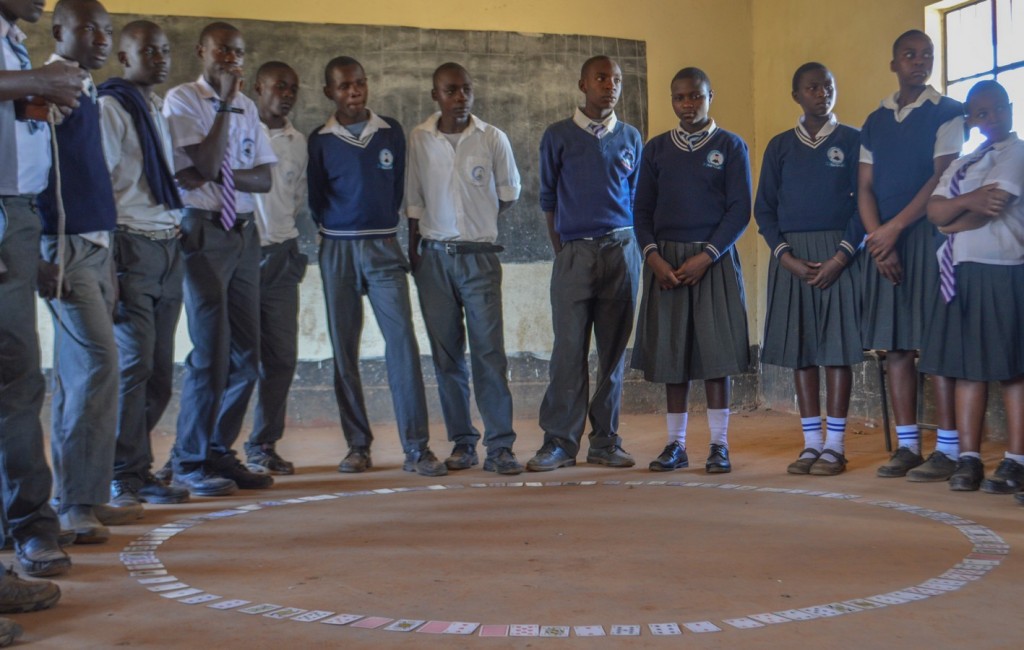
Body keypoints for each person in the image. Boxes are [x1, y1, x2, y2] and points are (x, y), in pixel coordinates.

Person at [309, 57, 442, 475]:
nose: (355, 91)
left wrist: (401, 238)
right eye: (345, 86)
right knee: (344, 349)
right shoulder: (320, 139)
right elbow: (316, 199)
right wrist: (339, 231)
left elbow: (401, 186)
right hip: (338, 251)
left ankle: (417, 448)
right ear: (330, 92)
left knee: (402, 342)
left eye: (360, 83)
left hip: (384, 248)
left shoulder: (390, 132)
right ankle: (357, 445)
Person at [162, 21, 277, 495]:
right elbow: (200, 170)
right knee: (209, 354)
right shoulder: (183, 100)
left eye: (238, 53)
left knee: (247, 356)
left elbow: (263, 179)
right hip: (202, 234)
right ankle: (187, 461)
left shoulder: (250, 106)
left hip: (243, 233)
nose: (232, 60)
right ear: (201, 52)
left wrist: (214, 172)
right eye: (223, 51)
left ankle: (215, 449)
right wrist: (225, 109)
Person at [37, 0, 134, 541]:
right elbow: (35, 174)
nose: (100, 38)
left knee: (82, 375)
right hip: (64, 247)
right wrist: (42, 252)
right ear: (58, 32)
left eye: (106, 30)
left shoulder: (89, 91)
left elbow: (95, 178)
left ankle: (83, 493)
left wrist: (112, 257)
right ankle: (74, 502)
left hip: (97, 245)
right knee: (98, 364)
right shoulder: (47, 91)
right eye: (87, 29)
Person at [405, 61, 523, 475]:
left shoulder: (492, 138)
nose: (460, 98)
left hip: (479, 257)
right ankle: (463, 442)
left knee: (490, 353)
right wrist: (417, 252)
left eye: (466, 90)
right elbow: (413, 203)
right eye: (451, 91)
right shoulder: (419, 139)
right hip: (433, 259)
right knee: (447, 356)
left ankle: (501, 446)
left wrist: (476, 225)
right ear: (435, 95)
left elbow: (507, 195)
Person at [631, 67, 751, 474]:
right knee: (672, 356)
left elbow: (740, 210)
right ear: (672, 100)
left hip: (711, 260)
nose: (688, 104)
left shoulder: (731, 147)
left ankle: (719, 445)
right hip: (667, 264)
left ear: (710, 96)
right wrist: (654, 258)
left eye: (696, 96)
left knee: (716, 357)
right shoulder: (657, 149)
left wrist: (708, 255)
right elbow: (641, 210)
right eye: (680, 97)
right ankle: (676, 445)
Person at [0, 0, 77, 632]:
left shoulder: (12, 41)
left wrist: (36, 97)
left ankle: (24, 531)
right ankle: (27, 530)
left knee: (18, 385)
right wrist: (35, 84)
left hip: (16, 218)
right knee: (12, 384)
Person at [858, 29, 964, 481]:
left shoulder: (948, 112)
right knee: (897, 345)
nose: (919, 62)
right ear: (893, 63)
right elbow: (863, 185)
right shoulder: (875, 120)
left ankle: (948, 448)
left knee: (935, 344)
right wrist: (877, 240)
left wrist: (895, 229)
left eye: (927, 55)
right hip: (885, 243)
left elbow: (942, 177)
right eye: (909, 55)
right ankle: (906, 446)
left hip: (929, 238)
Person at [528, 55, 643, 472]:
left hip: (621, 251)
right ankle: (559, 442)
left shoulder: (630, 137)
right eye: (600, 78)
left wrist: (625, 246)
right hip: (574, 253)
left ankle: (605, 441)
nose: (609, 86)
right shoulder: (558, 135)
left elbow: (636, 198)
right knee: (568, 352)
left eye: (616, 80)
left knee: (612, 355)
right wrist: (566, 251)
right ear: (582, 84)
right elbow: (548, 201)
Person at [754, 63, 864, 476]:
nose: (822, 94)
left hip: (839, 256)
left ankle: (835, 446)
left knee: (836, 352)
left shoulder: (853, 140)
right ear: (796, 95)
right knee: (802, 353)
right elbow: (764, 208)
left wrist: (841, 256)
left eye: (828, 86)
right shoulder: (780, 146)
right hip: (793, 258)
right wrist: (785, 257)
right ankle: (811, 443)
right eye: (812, 87)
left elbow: (863, 205)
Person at [98, 20, 190, 510]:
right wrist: (109, 264)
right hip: (131, 248)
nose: (158, 58)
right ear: (123, 58)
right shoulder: (111, 108)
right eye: (146, 51)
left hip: (168, 245)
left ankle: (135, 468)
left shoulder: (156, 108)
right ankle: (121, 475)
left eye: (163, 50)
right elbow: (100, 187)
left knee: (158, 372)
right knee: (133, 367)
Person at [922, 80, 1024, 493]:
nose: (992, 119)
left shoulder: (1017, 153)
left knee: (1012, 370)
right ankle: (969, 457)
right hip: (959, 273)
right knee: (967, 369)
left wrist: (953, 217)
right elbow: (933, 210)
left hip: (1001, 269)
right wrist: (965, 202)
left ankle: (1016, 460)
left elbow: (993, 207)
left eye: (999, 109)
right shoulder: (965, 162)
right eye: (982, 114)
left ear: (1011, 108)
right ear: (971, 120)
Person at [243, 60, 307, 476]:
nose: (285, 94)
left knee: (281, 357)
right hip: (240, 258)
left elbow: (296, 197)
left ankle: (263, 443)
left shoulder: (298, 142)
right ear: (257, 88)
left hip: (281, 256)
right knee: (232, 359)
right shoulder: (238, 131)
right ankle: (203, 449)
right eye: (278, 86)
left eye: (292, 89)